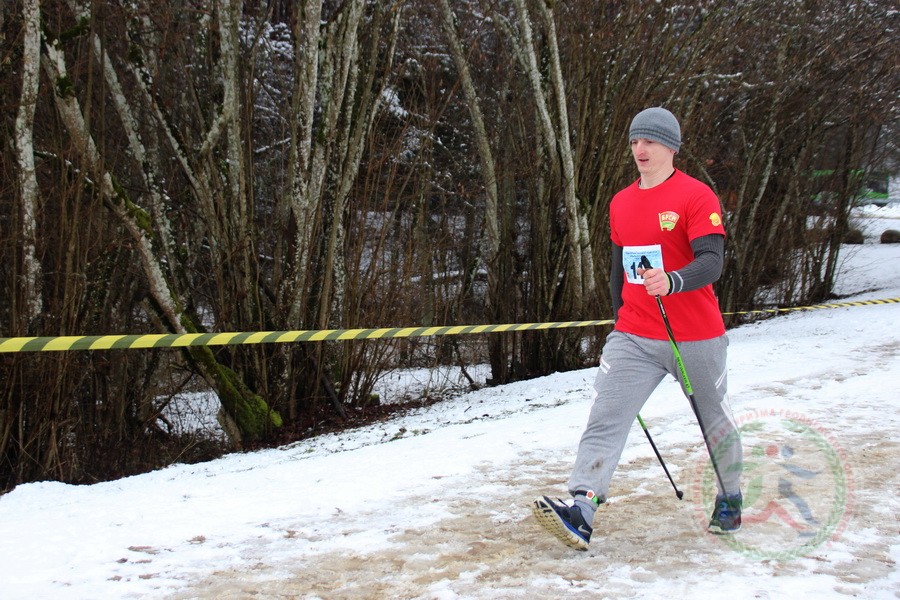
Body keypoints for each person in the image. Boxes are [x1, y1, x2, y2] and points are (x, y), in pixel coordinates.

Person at [531, 107, 743, 550]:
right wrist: (618, 320)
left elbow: (712, 261)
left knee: (714, 419)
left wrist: (673, 280)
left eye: (650, 141)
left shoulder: (696, 196)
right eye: (634, 141)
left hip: (694, 336)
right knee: (605, 416)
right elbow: (617, 272)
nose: (640, 149)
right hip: (634, 335)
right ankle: (582, 508)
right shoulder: (621, 202)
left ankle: (730, 496)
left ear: (672, 147)